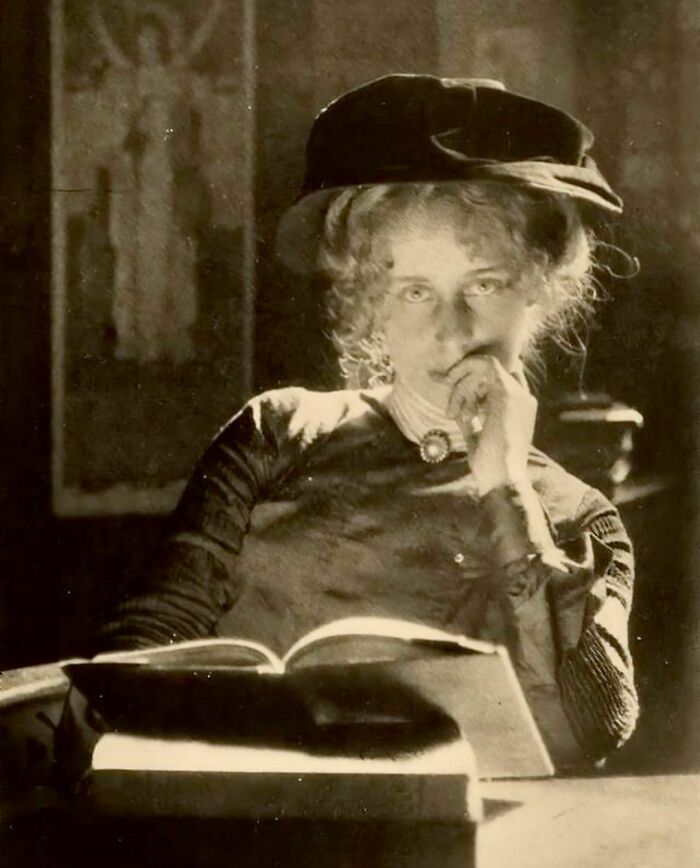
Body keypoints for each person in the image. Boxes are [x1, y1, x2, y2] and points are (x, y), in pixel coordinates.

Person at [98, 75, 638, 767]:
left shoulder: (580, 519)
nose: (451, 332)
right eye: (415, 291)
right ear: (368, 304)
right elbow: (147, 644)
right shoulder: (279, 432)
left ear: (538, 293)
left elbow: (593, 727)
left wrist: (506, 488)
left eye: (485, 285)